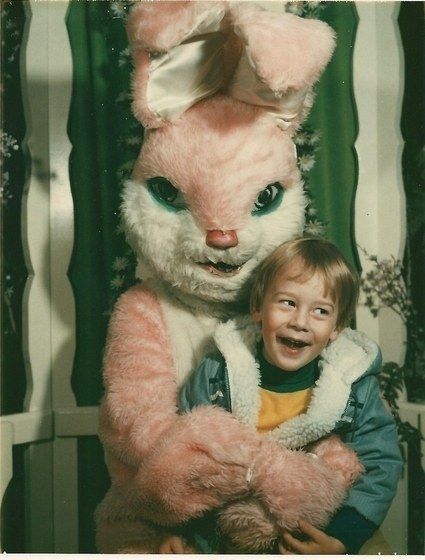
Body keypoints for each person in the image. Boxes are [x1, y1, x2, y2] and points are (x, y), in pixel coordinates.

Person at [160, 236, 403, 554]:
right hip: (224, 535)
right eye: (287, 303)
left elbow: (380, 460)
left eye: (320, 311)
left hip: (311, 534)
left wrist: (342, 538)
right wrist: (179, 528)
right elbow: (181, 456)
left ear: (336, 328)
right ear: (258, 308)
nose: (300, 322)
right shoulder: (216, 373)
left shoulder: (352, 385)